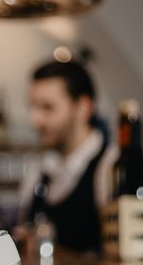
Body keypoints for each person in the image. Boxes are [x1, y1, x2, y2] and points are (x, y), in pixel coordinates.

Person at [19, 60, 117, 254]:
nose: (35, 120)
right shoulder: (39, 171)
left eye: (48, 107)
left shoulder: (109, 166)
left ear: (83, 108)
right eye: (33, 107)